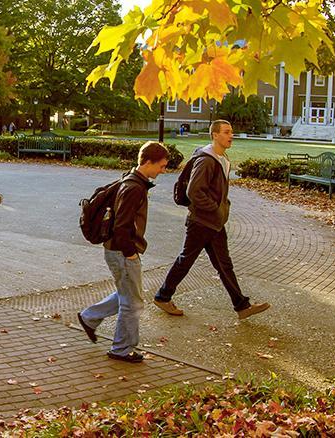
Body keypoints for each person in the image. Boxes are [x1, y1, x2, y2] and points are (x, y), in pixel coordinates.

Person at [154, 120, 270, 320]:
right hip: (201, 222)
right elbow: (194, 191)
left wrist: (220, 210)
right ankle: (163, 296)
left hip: (213, 223)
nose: (231, 135)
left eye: (231, 132)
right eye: (226, 132)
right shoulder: (207, 160)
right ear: (215, 135)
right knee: (186, 260)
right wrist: (215, 209)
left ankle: (241, 306)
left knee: (224, 264)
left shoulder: (221, 157)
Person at [77, 141, 170, 363]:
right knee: (133, 302)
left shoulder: (131, 180)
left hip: (116, 250)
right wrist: (130, 253)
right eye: (162, 166)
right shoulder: (134, 188)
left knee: (128, 294)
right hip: (122, 252)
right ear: (148, 162)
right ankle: (120, 349)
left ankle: (89, 318)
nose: (163, 170)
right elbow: (122, 227)